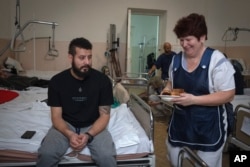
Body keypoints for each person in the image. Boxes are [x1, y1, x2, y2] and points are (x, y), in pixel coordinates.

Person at [162, 13, 235, 167]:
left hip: (209, 126)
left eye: (188, 39)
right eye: (181, 40)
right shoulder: (176, 60)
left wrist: (194, 100)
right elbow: (170, 82)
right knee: (176, 160)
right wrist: (167, 91)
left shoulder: (217, 60)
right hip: (181, 123)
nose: (184, 44)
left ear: (202, 37)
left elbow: (228, 94)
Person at [37, 37, 117, 167]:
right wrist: (69, 134)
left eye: (89, 57)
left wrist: (88, 135)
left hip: (93, 124)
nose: (87, 62)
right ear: (70, 57)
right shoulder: (57, 82)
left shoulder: (102, 81)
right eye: (82, 58)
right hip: (66, 124)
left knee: (106, 157)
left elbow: (104, 115)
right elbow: (56, 117)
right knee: (46, 154)